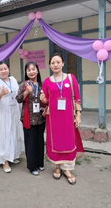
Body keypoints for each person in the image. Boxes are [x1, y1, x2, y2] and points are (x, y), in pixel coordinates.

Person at [40, 53, 83, 185]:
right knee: (55, 141)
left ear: (63, 63)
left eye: (58, 62)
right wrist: (43, 100)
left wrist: (78, 115)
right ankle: (57, 167)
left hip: (68, 117)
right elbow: (46, 101)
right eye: (53, 63)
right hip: (53, 118)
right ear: (49, 65)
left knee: (68, 141)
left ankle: (67, 170)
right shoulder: (47, 81)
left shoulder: (71, 78)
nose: (56, 65)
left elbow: (77, 98)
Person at [0, 61, 24, 173]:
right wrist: (1, 93)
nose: (3, 71)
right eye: (1, 69)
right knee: (5, 134)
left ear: (8, 69)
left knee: (14, 133)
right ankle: (4, 161)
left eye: (5, 68)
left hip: (14, 111)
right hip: (4, 112)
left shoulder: (13, 80)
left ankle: (13, 155)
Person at [16, 61, 46, 176]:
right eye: (29, 70)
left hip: (40, 118)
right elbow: (18, 99)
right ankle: (32, 166)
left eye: (33, 69)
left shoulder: (42, 84)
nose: (31, 72)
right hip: (28, 119)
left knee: (39, 141)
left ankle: (40, 163)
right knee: (30, 143)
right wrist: (26, 92)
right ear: (26, 72)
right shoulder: (24, 85)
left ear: (37, 70)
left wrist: (44, 104)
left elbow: (47, 100)